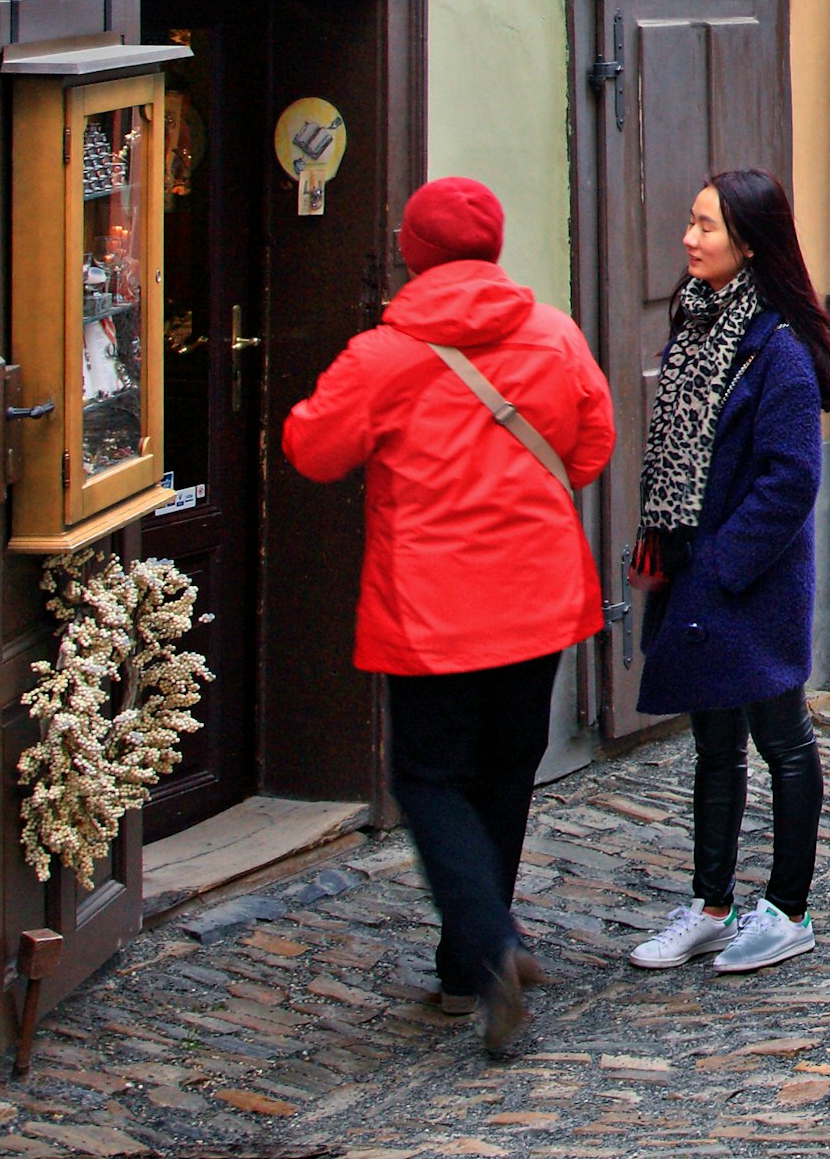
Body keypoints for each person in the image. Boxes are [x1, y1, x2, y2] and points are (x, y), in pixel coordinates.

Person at [282, 176, 613, 1055]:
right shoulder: (554, 335)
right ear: (495, 247)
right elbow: (591, 445)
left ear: (410, 252)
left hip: (432, 611)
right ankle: (467, 967)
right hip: (538, 601)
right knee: (504, 778)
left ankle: (490, 947)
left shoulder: (385, 355)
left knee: (430, 780)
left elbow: (312, 449)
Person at [622, 167, 830, 977]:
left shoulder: (778, 351)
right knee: (714, 742)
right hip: (696, 569)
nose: (690, 237)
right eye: (691, 220)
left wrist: (721, 564)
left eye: (707, 226)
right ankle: (711, 906)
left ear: (749, 244)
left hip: (751, 581)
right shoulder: (697, 326)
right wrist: (675, 550)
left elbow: (790, 480)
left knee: (781, 738)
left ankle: (789, 910)